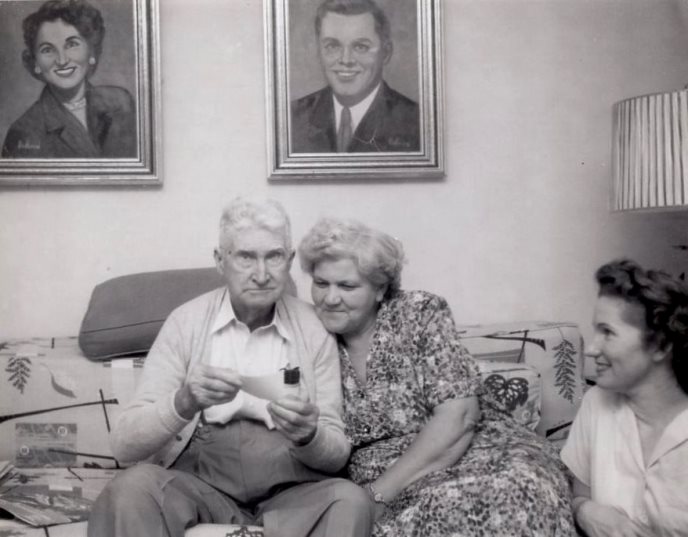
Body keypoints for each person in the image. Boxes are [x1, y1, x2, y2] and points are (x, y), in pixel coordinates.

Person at [87, 198, 373, 537]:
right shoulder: (186, 322)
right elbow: (123, 445)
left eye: (274, 256)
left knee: (349, 501)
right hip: (201, 486)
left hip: (292, 491)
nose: (261, 274)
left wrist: (310, 434)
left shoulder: (313, 327)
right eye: (245, 257)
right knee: (130, 490)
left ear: (290, 260)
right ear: (220, 261)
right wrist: (183, 402)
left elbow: (336, 454)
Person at [297, 217, 576, 537]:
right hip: (384, 480)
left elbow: (459, 418)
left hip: (482, 452)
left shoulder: (418, 313)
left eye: (347, 286)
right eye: (321, 283)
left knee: (511, 492)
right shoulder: (309, 335)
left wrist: (376, 496)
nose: (330, 298)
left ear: (380, 289)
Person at [561, 259, 688, 537]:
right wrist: (586, 511)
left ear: (661, 345)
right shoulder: (596, 402)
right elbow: (578, 494)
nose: (591, 348)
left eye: (608, 332)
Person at [1, 0, 136, 159]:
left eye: (72, 44)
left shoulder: (121, 103)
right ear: (36, 62)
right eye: (47, 50)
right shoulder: (24, 131)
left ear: (91, 51)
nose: (62, 60)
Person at [290, 0, 420, 154]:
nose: (346, 60)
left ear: (385, 53)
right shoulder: (292, 119)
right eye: (332, 46)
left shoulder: (417, 121)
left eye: (360, 47)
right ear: (319, 51)